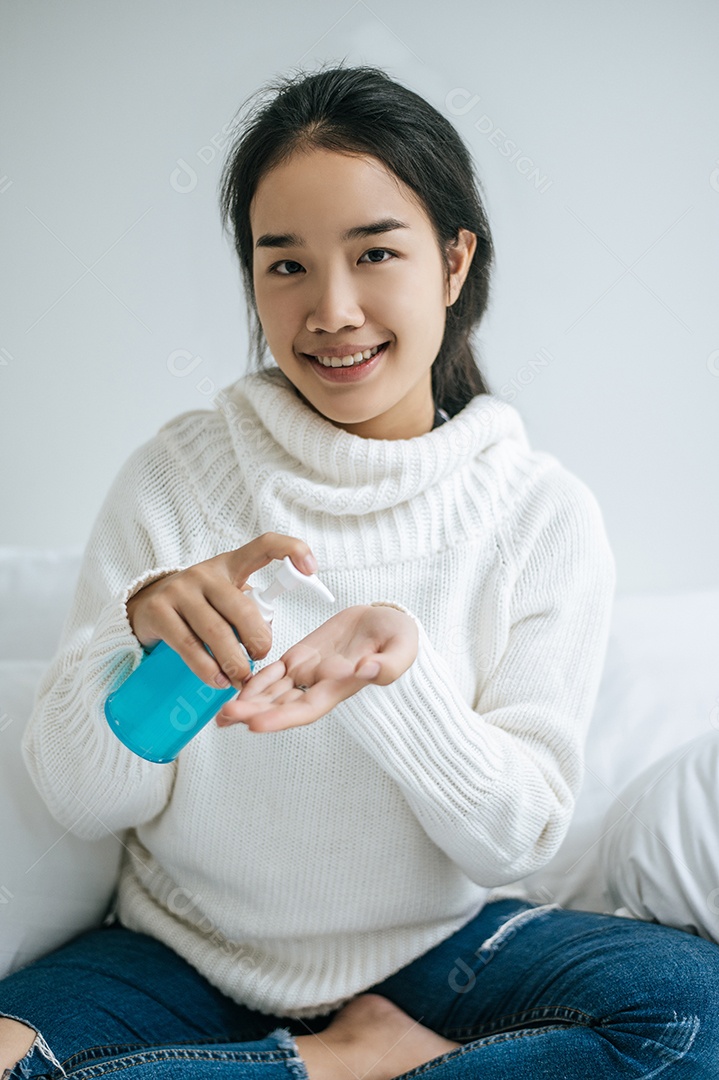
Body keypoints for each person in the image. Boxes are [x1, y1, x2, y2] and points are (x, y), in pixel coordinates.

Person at [2, 61, 718, 1080]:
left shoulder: (536, 514)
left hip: (441, 955)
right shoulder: (175, 479)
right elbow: (79, 801)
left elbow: (516, 836)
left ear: (454, 259)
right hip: (179, 952)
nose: (330, 310)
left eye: (374, 253)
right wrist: (143, 655)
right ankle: (355, 1067)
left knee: (697, 1022)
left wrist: (398, 677)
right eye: (283, 264)